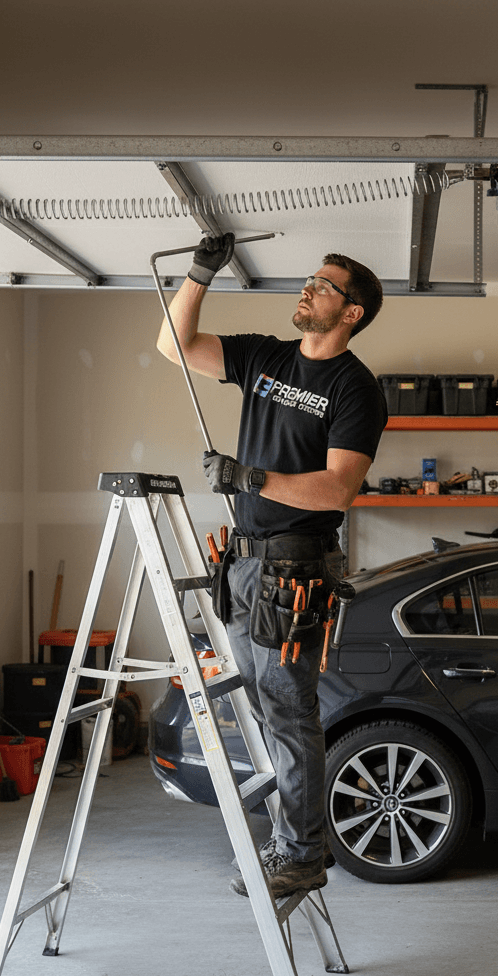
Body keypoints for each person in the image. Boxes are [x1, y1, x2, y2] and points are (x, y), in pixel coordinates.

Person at [155, 233, 387, 898]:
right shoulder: (264, 357)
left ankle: (303, 852)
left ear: (351, 313)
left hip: (294, 569)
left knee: (289, 710)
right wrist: (201, 272)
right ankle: (290, 838)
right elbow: (174, 343)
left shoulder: (355, 389)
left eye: (325, 286)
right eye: (311, 280)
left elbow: (338, 488)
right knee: (264, 707)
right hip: (245, 563)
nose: (307, 289)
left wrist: (250, 476)